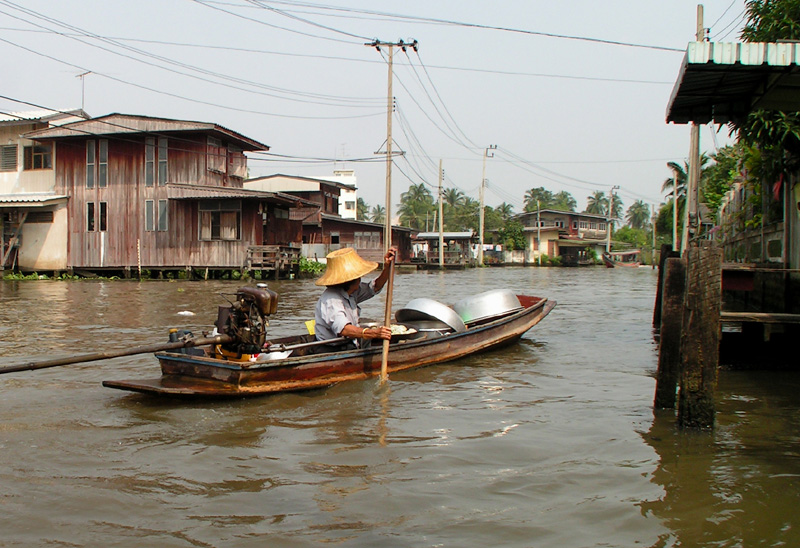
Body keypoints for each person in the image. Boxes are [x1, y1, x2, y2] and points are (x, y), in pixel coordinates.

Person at [314, 246, 397, 351]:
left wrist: (387, 268)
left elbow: (375, 287)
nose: (360, 280)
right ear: (352, 280)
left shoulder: (351, 291)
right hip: (334, 348)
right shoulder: (331, 300)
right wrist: (372, 333)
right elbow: (344, 329)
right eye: (358, 277)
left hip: (350, 342)